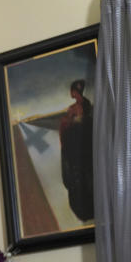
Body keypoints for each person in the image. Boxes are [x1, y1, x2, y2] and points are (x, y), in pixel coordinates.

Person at [59, 79, 94, 221]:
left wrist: (70, 122)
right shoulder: (77, 108)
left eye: (73, 91)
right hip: (74, 150)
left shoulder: (82, 107)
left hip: (80, 152)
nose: (72, 93)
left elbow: (81, 124)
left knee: (84, 182)